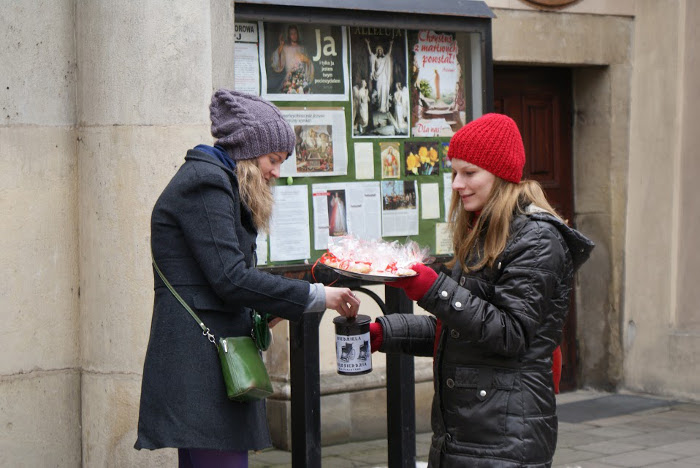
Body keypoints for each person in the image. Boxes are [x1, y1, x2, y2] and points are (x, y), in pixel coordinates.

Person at [134, 89, 360, 467]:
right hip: (201, 367)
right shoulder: (205, 182)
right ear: (248, 150)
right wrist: (317, 295)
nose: (277, 172)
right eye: (274, 159)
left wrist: (271, 307)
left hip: (210, 360)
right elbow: (230, 278)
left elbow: (220, 281)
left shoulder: (219, 179)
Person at [371, 113, 594, 467]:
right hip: (470, 434)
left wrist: (433, 288)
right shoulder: (484, 231)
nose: (457, 184)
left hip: (505, 439)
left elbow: (510, 334)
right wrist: (385, 332)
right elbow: (460, 332)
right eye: (454, 173)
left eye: (469, 173)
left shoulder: (537, 239)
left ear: (501, 174)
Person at [269, 25, 314, 94]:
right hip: (289, 81)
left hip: (301, 81)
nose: (294, 36)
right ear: (289, 36)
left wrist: (307, 60)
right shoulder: (285, 48)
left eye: (295, 33)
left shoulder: (303, 49)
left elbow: (308, 65)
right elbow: (276, 61)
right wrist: (281, 45)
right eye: (291, 34)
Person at [365, 38, 393, 113]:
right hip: (379, 77)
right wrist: (368, 44)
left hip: (384, 77)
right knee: (379, 92)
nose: (380, 52)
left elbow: (389, 54)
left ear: (382, 51)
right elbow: (370, 54)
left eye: (381, 51)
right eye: (378, 51)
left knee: (384, 91)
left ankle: (383, 108)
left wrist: (391, 44)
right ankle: (380, 107)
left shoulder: (385, 59)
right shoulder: (376, 59)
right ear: (377, 52)